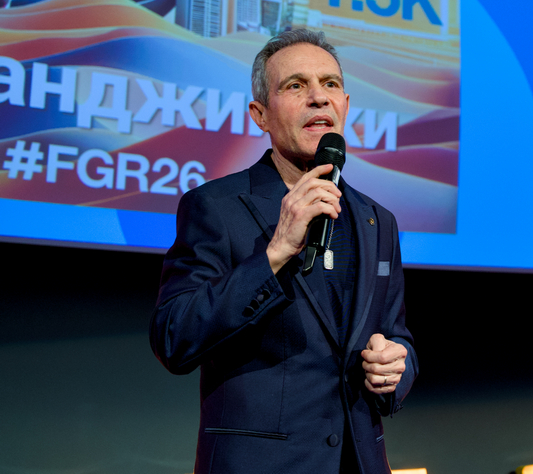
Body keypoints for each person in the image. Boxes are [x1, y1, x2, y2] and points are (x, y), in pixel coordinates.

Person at [150, 30, 417, 474]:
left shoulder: (378, 221)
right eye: (296, 85)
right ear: (260, 115)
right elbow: (174, 338)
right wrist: (274, 254)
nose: (318, 97)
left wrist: (394, 370)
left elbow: (397, 336)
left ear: (345, 104)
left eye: (330, 84)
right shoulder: (215, 207)